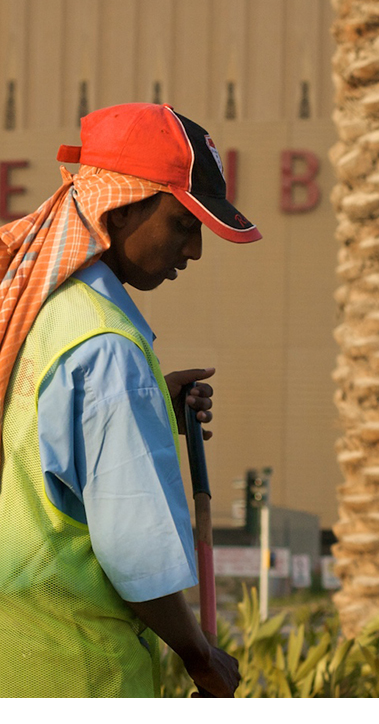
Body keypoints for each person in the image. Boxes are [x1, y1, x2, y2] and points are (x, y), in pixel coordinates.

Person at [0, 102, 262, 698]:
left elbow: (31, 438)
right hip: (76, 670)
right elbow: (137, 557)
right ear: (119, 208)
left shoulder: (38, 309)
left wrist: (150, 410)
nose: (194, 251)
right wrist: (201, 656)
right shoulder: (108, 348)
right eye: (184, 224)